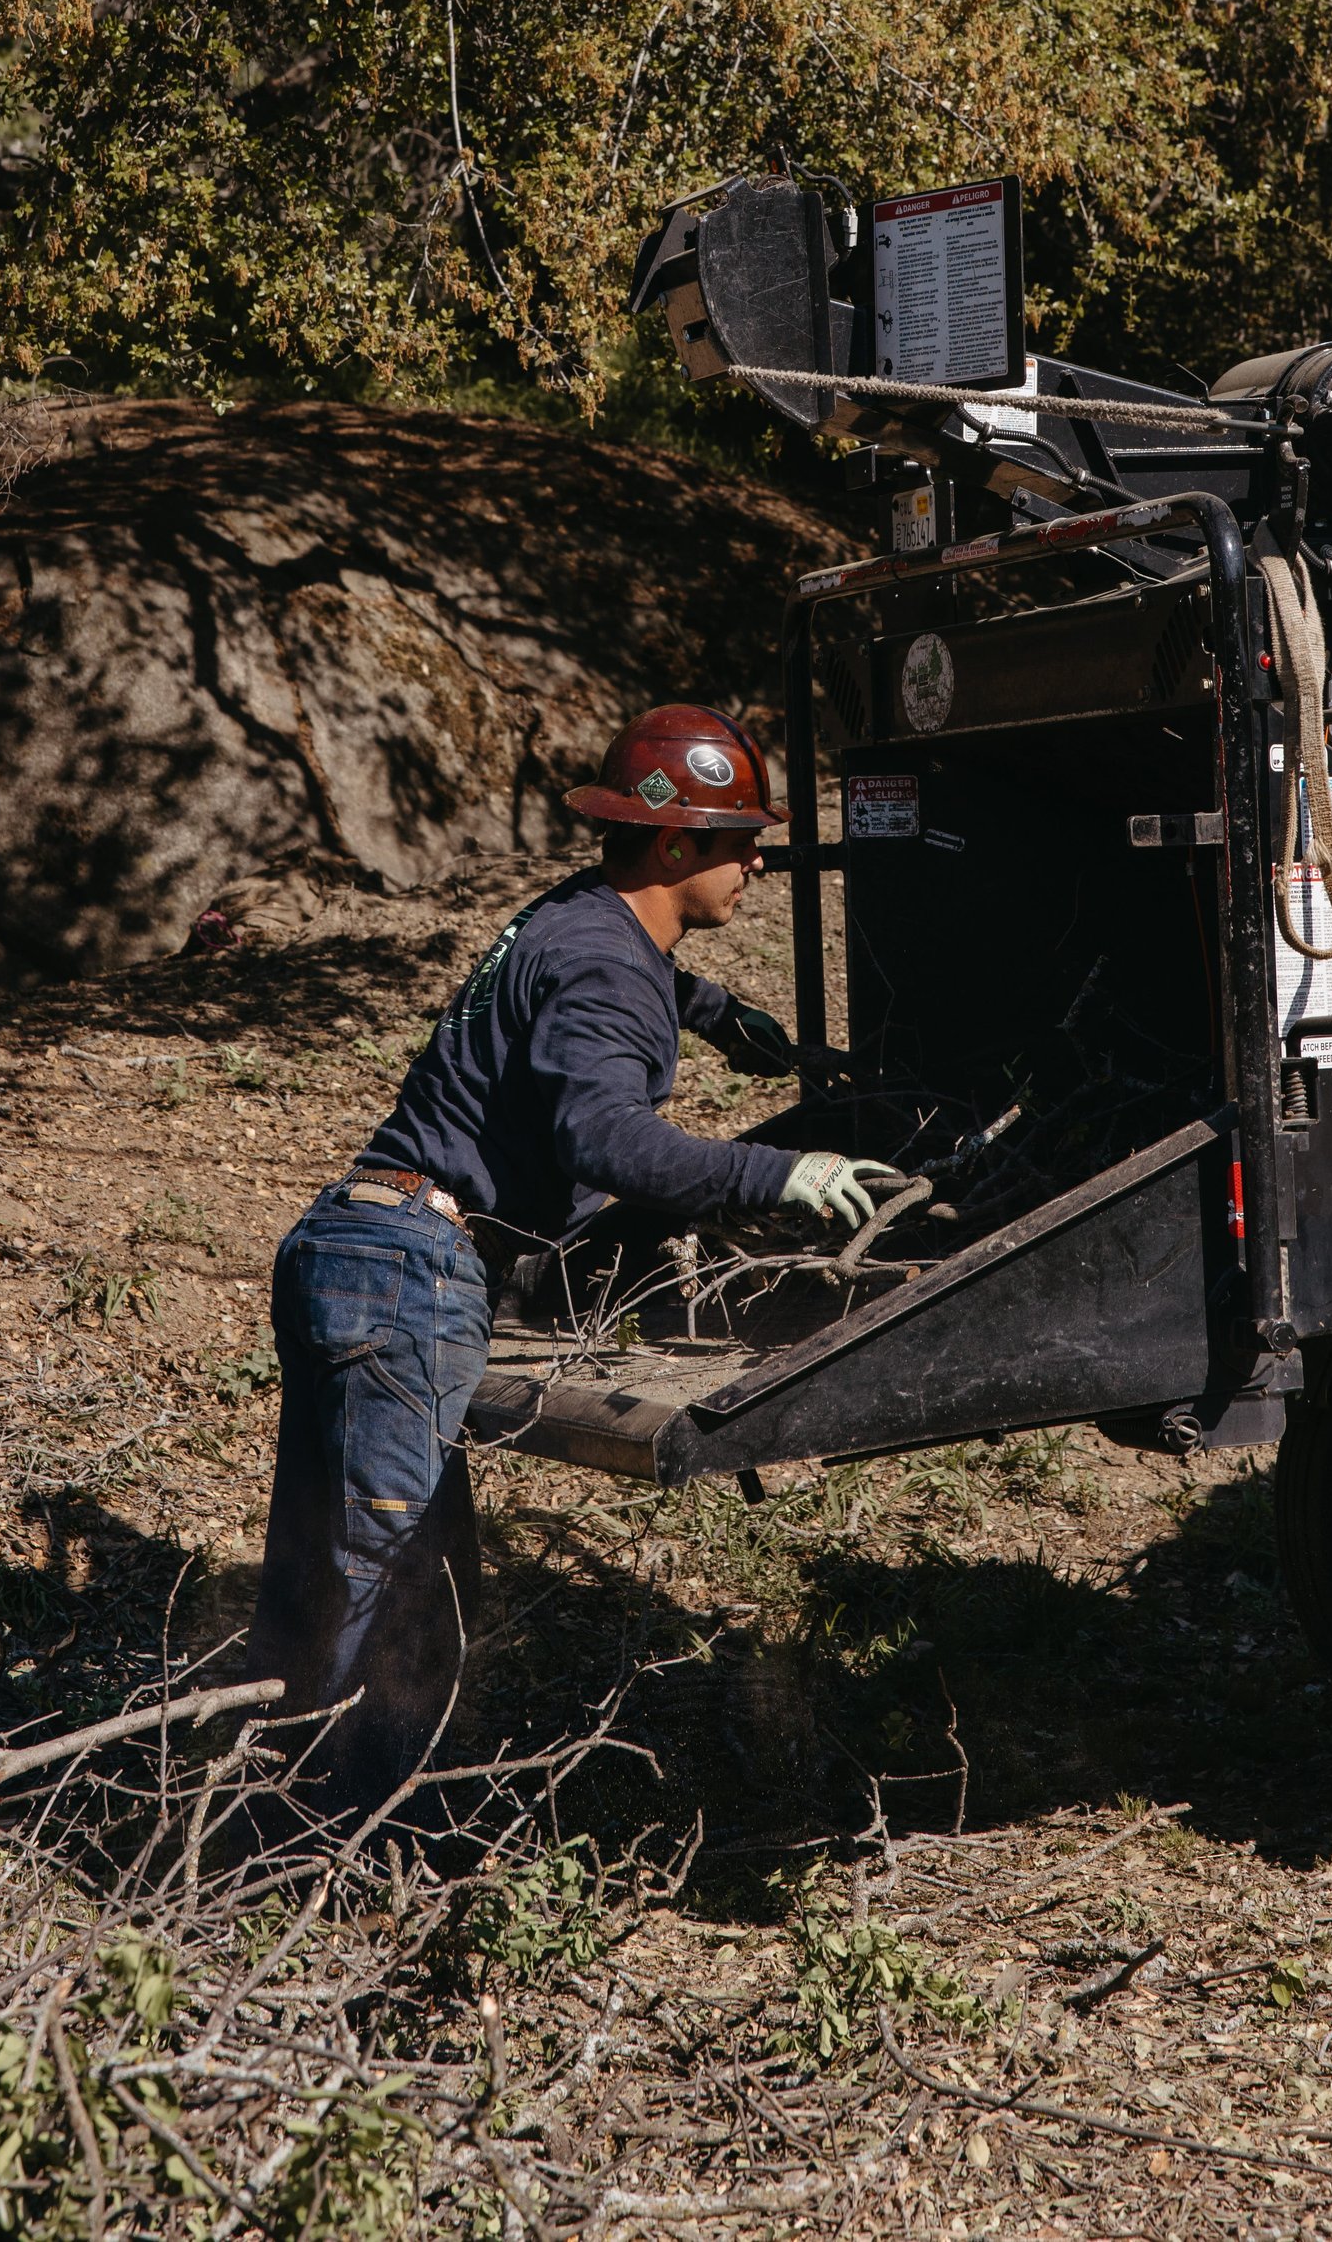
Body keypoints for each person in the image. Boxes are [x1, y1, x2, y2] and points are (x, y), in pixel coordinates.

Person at [240, 701, 895, 1818]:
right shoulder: (604, 971)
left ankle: (341, 1832)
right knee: (385, 1597)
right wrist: (777, 1174)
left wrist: (721, 1014)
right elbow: (606, 1141)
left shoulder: (578, 919)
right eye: (739, 840)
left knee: (362, 1580)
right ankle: (312, 1858)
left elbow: (617, 975)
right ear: (674, 845)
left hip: (353, 1245)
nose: (758, 862)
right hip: (409, 1269)